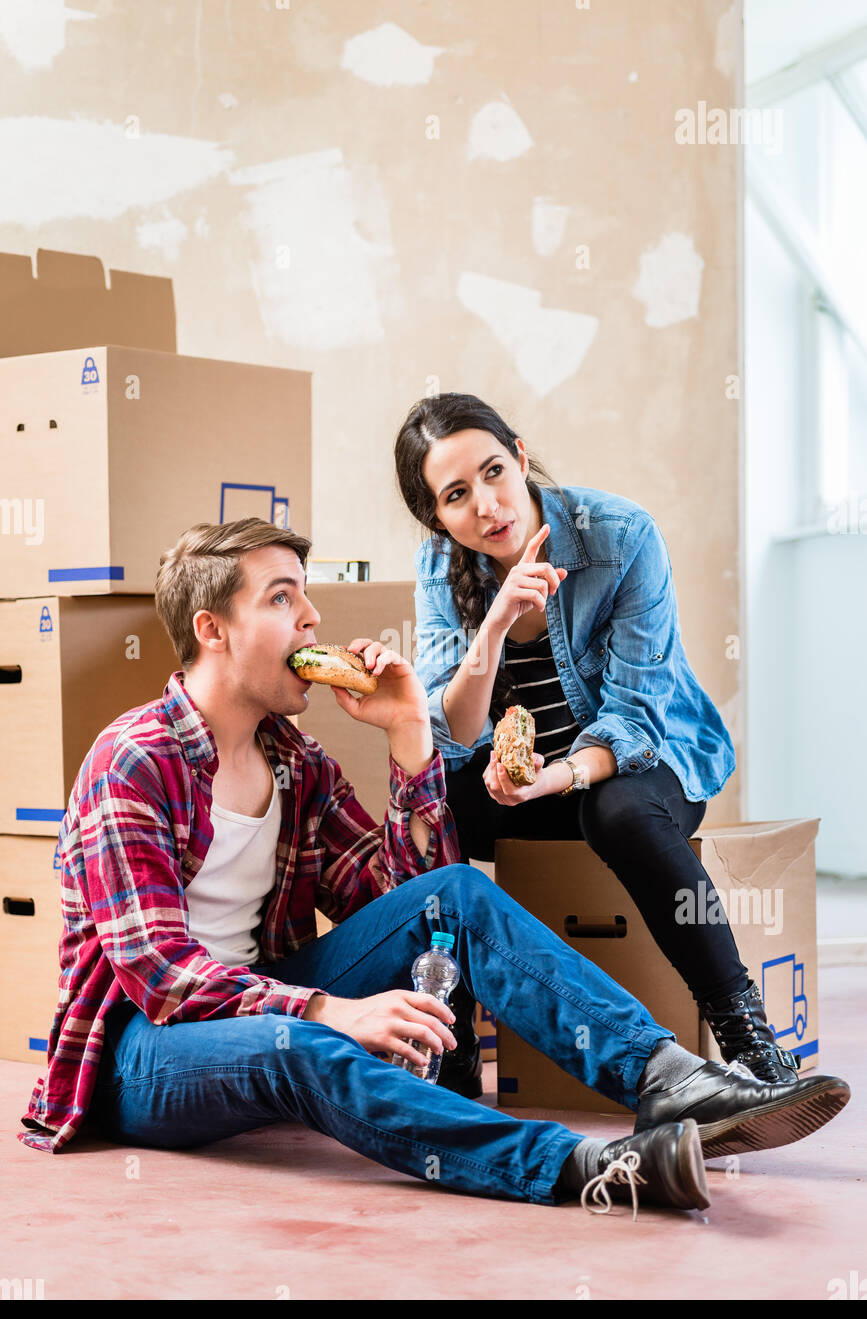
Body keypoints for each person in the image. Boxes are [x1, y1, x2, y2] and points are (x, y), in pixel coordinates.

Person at [17, 518, 849, 1219]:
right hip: (138, 1052)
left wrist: (412, 737)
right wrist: (329, 1010)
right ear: (211, 628)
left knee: (454, 895)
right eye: (280, 598)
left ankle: (665, 1077)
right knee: (299, 1043)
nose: (310, 617)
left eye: (306, 593)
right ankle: (581, 1169)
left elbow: (415, 907)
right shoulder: (134, 759)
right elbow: (160, 977)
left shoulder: (295, 765)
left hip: (261, 991)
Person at [395, 392, 820, 1094]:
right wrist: (495, 625)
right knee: (425, 806)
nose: (487, 505)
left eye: (495, 472)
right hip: (521, 780)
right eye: (457, 495)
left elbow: (634, 718)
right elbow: (453, 732)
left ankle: (747, 1037)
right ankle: (452, 1036)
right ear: (435, 514)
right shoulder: (441, 566)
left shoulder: (619, 536)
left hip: (639, 765)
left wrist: (555, 776)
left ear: (521, 457)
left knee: (615, 811)